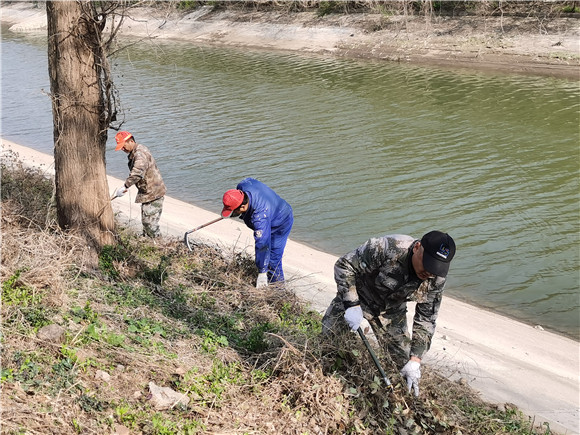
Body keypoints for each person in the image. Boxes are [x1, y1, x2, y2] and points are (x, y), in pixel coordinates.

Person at [321, 231, 456, 397]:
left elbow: (427, 318)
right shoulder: (388, 247)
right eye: (427, 264)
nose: (429, 272)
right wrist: (351, 303)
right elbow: (344, 265)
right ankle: (327, 379)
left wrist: (415, 359)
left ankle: (396, 396)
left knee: (402, 364)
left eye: (435, 268)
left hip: (390, 310)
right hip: (359, 295)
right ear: (417, 247)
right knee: (329, 339)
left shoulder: (436, 278)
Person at [221, 177, 294, 288]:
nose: (234, 213)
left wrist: (262, 272)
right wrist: (233, 211)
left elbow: (262, 244)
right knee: (267, 256)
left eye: (235, 210)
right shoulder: (243, 185)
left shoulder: (260, 218)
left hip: (281, 221)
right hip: (270, 209)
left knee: (273, 260)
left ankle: (279, 290)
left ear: (243, 206)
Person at [113, 131, 167, 238]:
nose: (123, 149)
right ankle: (150, 242)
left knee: (150, 224)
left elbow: (137, 173)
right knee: (146, 222)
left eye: (123, 146)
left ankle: (158, 243)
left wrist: (125, 186)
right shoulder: (136, 151)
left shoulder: (140, 154)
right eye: (121, 148)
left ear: (131, 141)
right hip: (148, 192)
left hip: (153, 192)